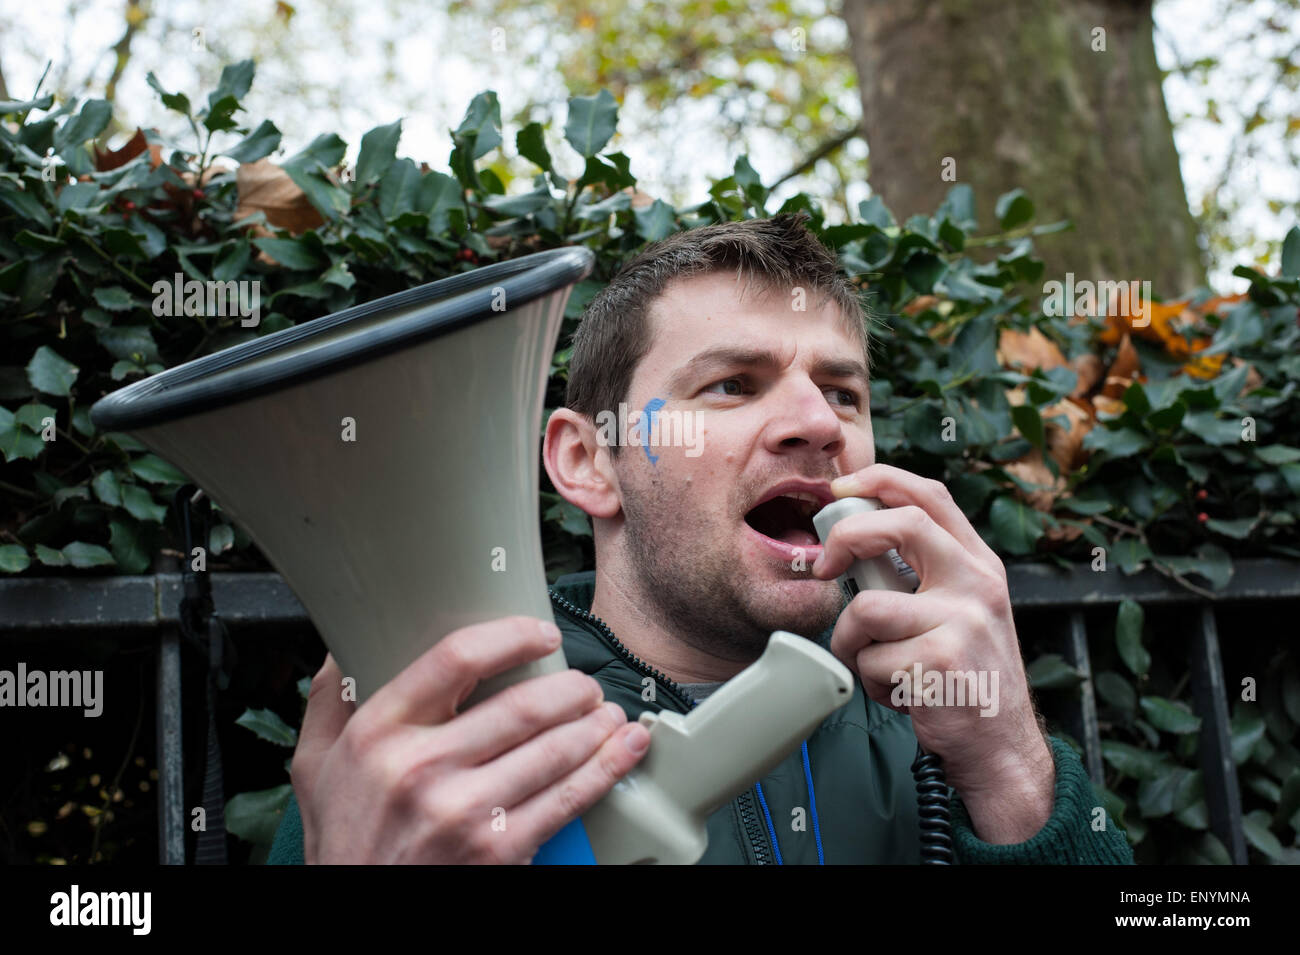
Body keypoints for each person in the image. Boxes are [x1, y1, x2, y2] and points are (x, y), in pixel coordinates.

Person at [269, 213, 1134, 864]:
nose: (816, 424)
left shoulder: (944, 734)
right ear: (589, 461)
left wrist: (1013, 768)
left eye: (843, 393)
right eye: (730, 384)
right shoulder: (433, 751)